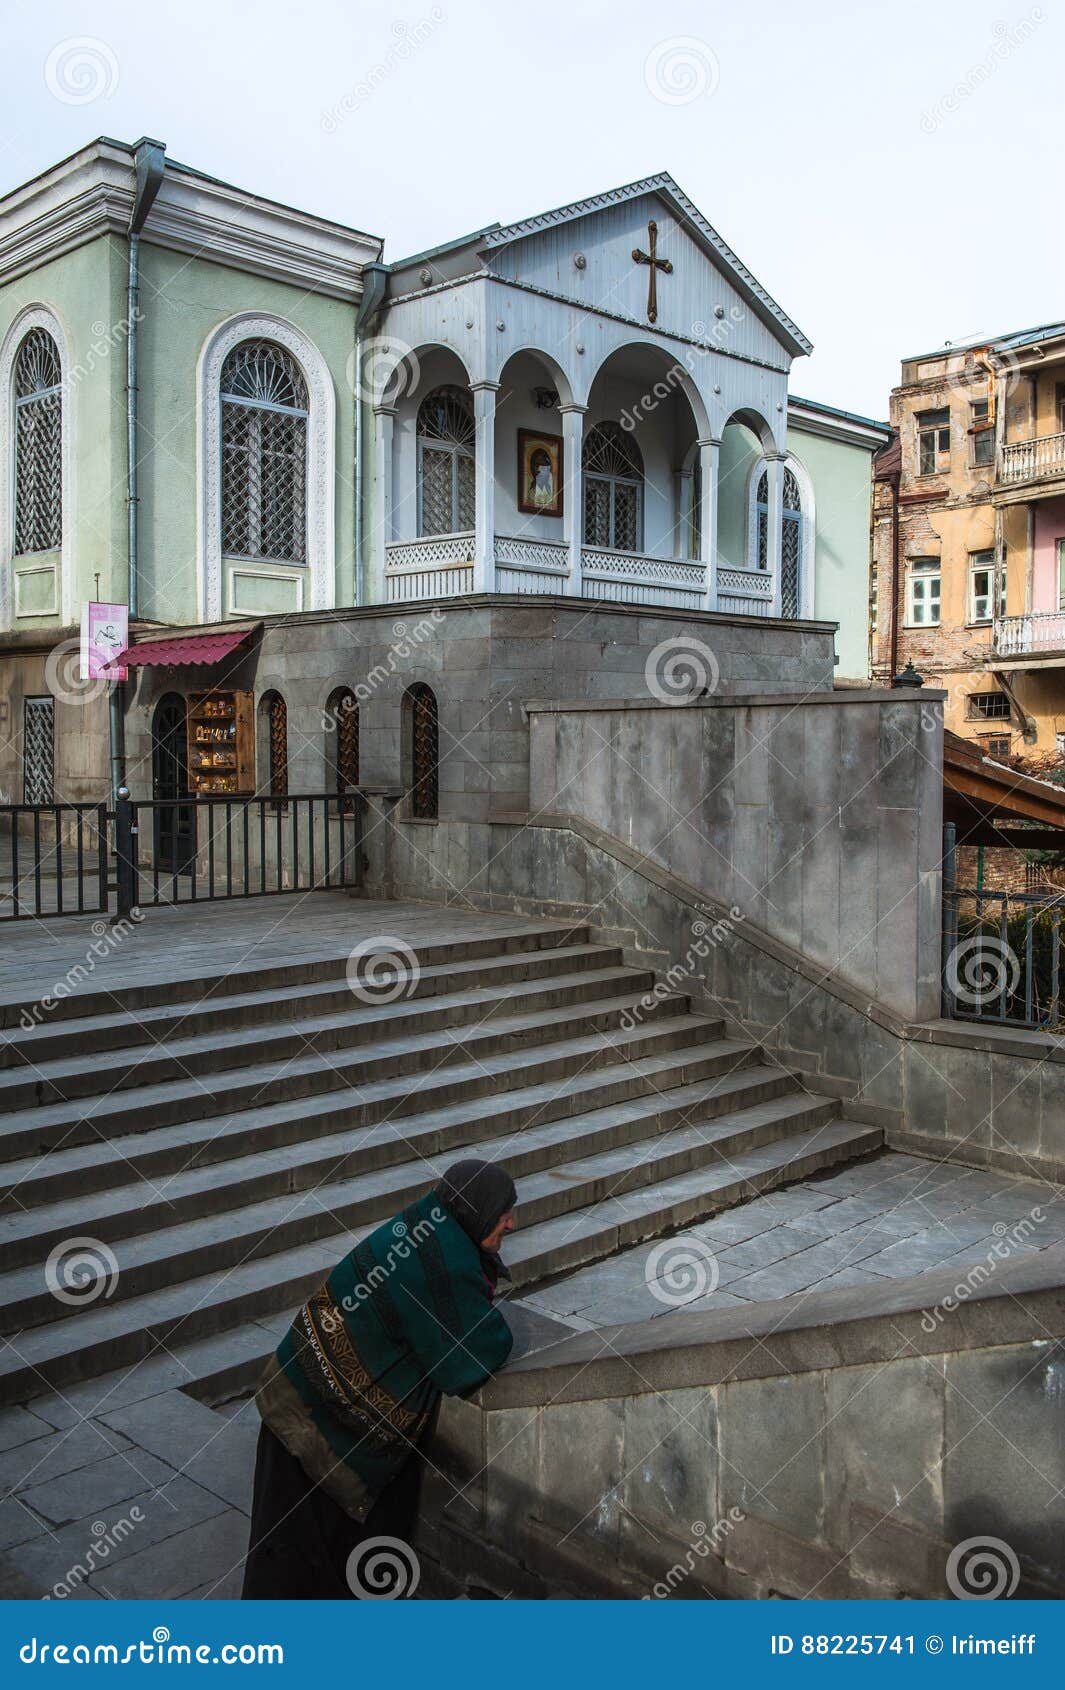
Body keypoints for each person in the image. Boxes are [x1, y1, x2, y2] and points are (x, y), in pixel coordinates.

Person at [241, 1158, 516, 1599]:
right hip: (313, 1421)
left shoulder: (431, 1223)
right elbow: (470, 1356)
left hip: (301, 1397)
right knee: (297, 1558)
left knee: (305, 1548)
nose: (511, 1222)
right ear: (477, 1209)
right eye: (504, 1212)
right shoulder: (438, 1263)